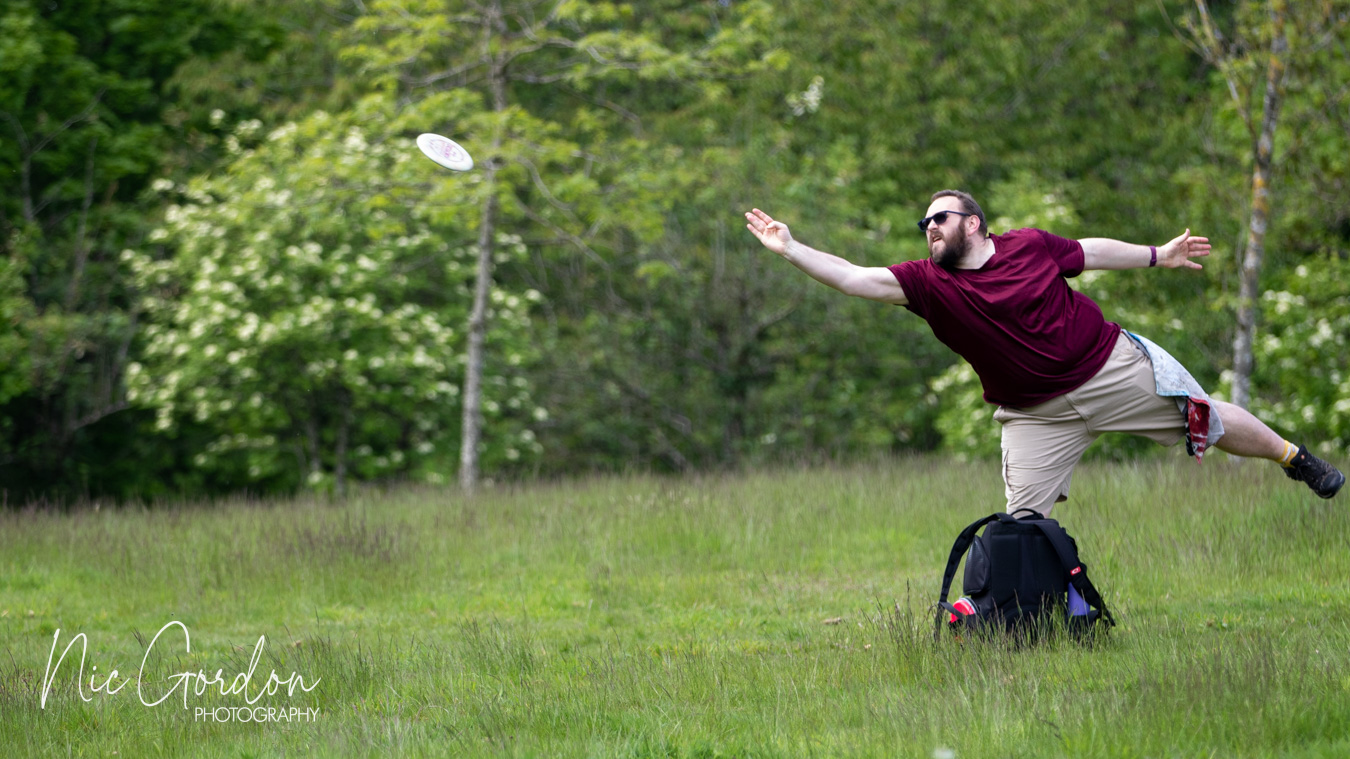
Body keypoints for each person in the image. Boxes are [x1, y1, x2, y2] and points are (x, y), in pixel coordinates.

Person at [744, 190, 1345, 516]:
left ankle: (1295, 458)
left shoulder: (1029, 246)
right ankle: (1040, 615)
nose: (929, 227)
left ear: (975, 223)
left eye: (940, 217)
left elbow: (1092, 250)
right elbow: (852, 277)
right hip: (1035, 415)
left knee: (1205, 419)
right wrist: (792, 249)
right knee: (1023, 528)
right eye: (923, 222)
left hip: (1108, 370)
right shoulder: (925, 284)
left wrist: (1159, 255)